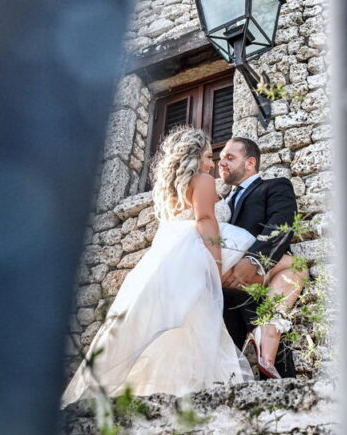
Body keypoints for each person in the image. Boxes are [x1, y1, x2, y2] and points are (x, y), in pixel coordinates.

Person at [61, 127, 256, 405]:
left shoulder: (168, 189)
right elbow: (204, 220)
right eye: (208, 156)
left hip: (167, 256)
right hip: (196, 251)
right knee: (200, 321)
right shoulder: (202, 180)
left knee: (177, 325)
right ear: (195, 156)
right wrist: (216, 260)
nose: (212, 164)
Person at [218, 137, 308, 379]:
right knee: (223, 364)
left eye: (229, 157)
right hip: (221, 293)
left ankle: (285, 406)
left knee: (275, 361)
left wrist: (254, 260)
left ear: (250, 163)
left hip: (262, 283)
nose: (221, 163)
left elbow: (282, 223)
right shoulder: (218, 203)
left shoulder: (274, 186)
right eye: (219, 158)